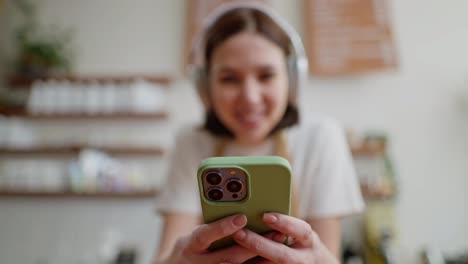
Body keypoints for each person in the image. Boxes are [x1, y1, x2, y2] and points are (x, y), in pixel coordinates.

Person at [154, 2, 364, 263]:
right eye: (229, 79)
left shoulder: (321, 137)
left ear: (292, 80)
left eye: (266, 76)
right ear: (205, 87)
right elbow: (165, 255)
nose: (250, 98)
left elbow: (328, 254)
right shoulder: (191, 142)